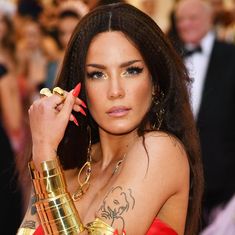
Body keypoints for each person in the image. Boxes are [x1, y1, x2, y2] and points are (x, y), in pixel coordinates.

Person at [17, 3, 203, 235]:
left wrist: (43, 152)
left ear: (155, 82)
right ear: (81, 87)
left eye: (131, 70)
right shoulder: (64, 165)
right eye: (98, 74)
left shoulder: (159, 150)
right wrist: (47, 156)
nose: (115, 90)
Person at [175, 0, 235, 230]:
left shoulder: (231, 56)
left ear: (210, 19)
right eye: (180, 19)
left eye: (192, 18)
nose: (185, 24)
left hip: (225, 181)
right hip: (181, 178)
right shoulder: (171, 56)